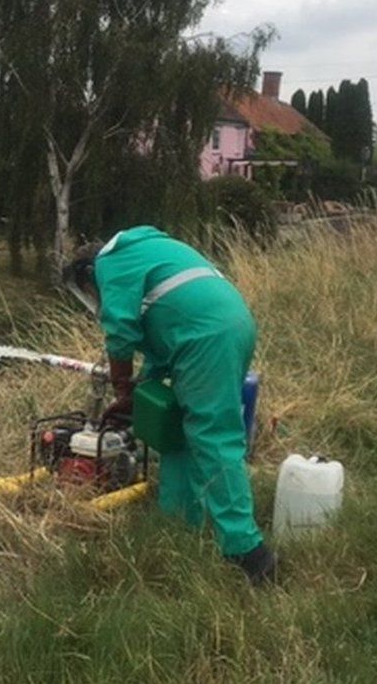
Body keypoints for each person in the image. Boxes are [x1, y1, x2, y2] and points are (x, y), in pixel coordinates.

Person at [65, 225, 276, 585]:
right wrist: (142, 391)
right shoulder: (147, 248)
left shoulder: (109, 263)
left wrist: (122, 388)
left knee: (212, 436)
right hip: (229, 325)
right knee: (174, 426)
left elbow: (120, 332)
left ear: (88, 273)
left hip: (206, 337)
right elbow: (167, 324)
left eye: (89, 293)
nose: (94, 300)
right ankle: (180, 520)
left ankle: (248, 552)